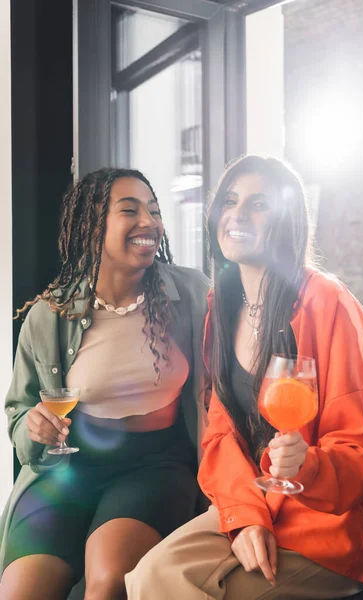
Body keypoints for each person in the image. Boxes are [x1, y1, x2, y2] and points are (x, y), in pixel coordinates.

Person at [125, 155, 363, 599]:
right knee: (148, 575)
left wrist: (306, 465)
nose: (238, 215)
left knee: (171, 586)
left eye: (259, 205)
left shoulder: (328, 302)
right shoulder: (222, 304)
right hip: (256, 500)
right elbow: (220, 433)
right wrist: (245, 516)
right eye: (231, 201)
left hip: (328, 521)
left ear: (286, 219)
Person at [0, 167, 210, 600]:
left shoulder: (190, 293)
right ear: (93, 226)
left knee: (108, 581)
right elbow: (19, 411)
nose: (149, 222)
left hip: (155, 464)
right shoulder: (50, 315)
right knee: (21, 592)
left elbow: (220, 388)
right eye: (129, 210)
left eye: (154, 210)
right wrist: (32, 427)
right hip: (65, 470)